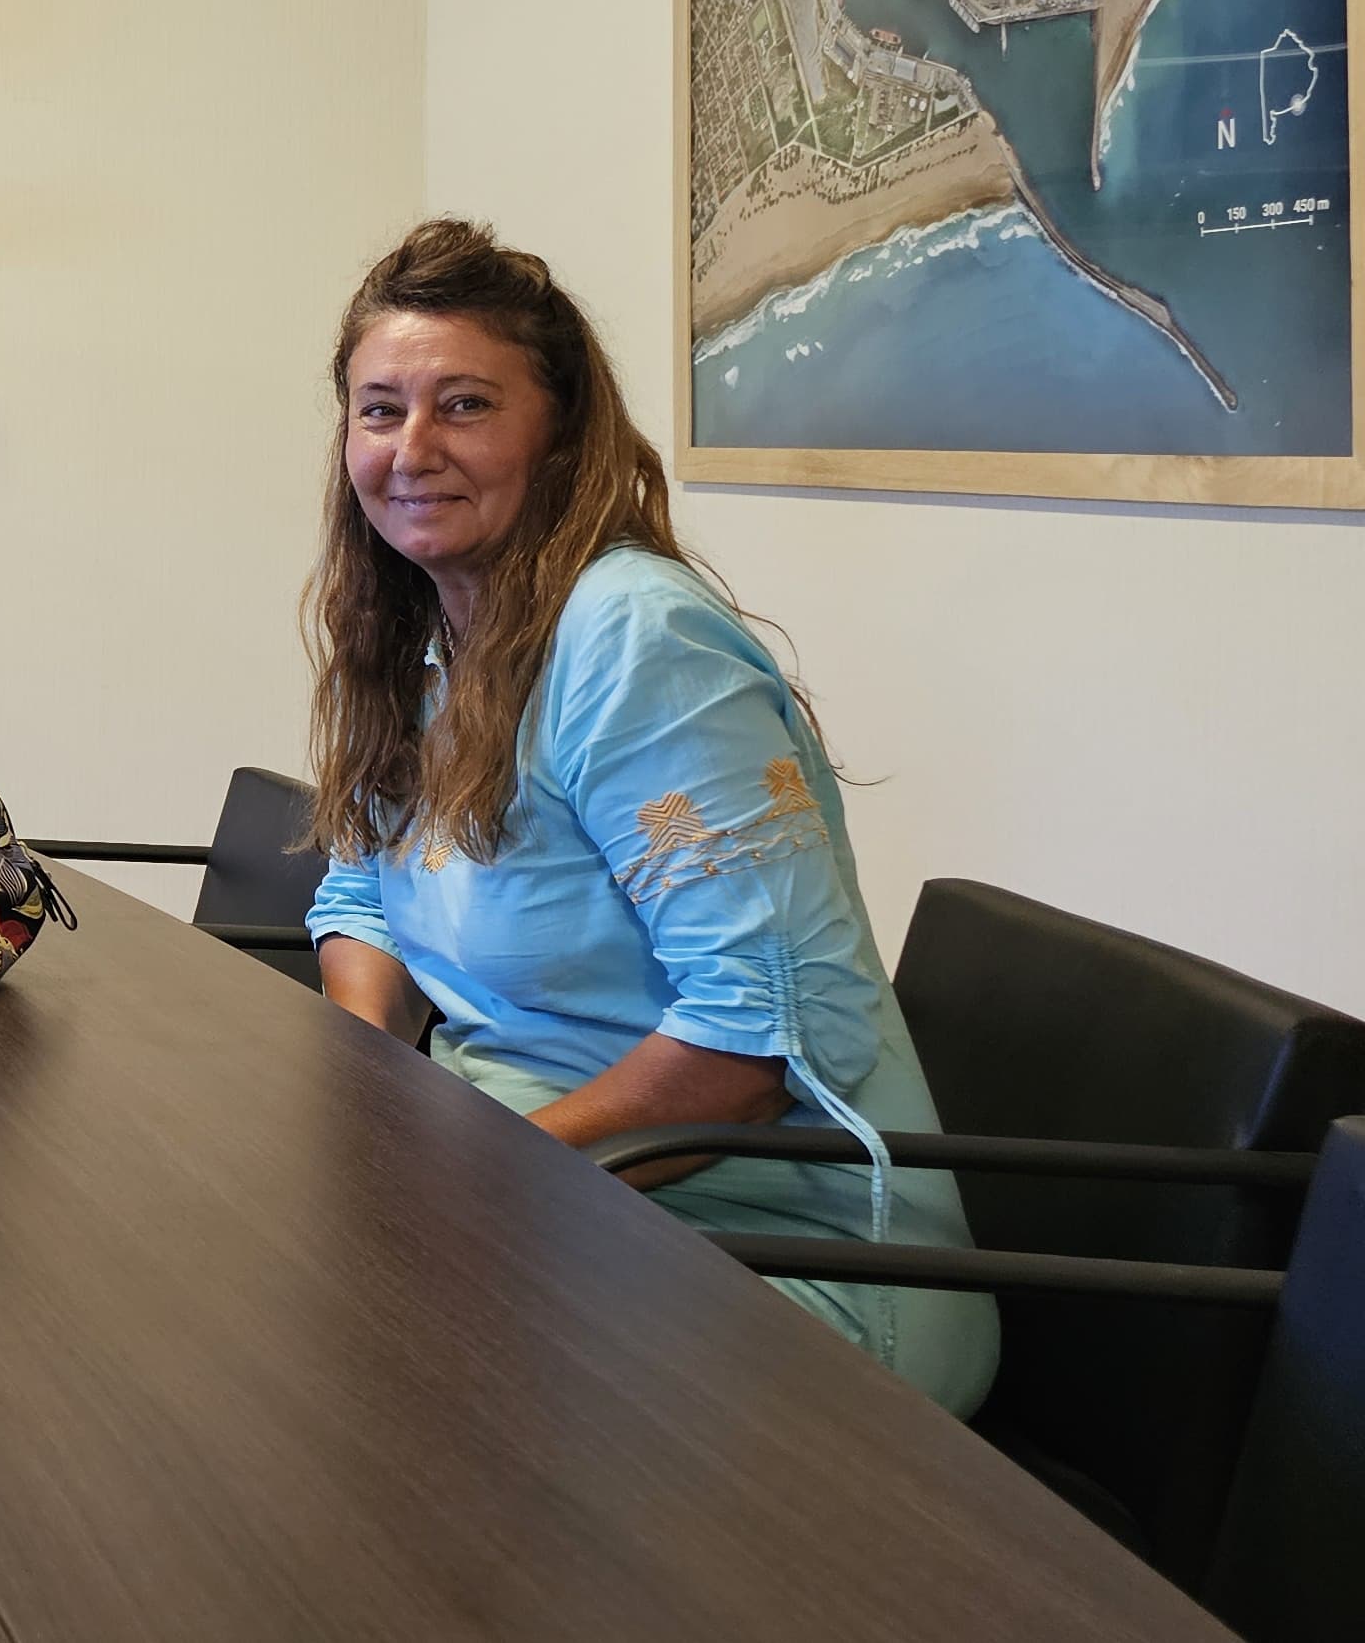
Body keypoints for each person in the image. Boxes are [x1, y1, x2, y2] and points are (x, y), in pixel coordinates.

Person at [298, 220, 997, 1415]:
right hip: (547, 1201)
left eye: (464, 404)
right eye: (379, 409)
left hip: (778, 1263)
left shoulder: (634, 640)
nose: (411, 450)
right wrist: (377, 1093)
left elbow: (747, 1046)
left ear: (558, 430)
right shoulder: (429, 639)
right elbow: (364, 891)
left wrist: (456, 1179)